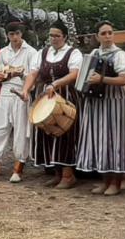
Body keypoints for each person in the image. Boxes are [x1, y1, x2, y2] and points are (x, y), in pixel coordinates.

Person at [0, 22, 39, 183]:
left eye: (17, 34)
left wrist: (19, 75)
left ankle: (18, 170)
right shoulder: (3, 52)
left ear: (22, 34)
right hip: (5, 93)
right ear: (7, 35)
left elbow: (33, 75)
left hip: (21, 93)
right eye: (11, 34)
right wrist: (1, 74)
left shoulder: (31, 52)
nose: (14, 37)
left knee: (21, 131)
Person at [80, 21, 125, 195]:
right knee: (99, 140)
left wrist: (101, 80)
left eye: (110, 32)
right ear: (97, 36)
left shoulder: (120, 55)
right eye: (103, 33)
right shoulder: (94, 53)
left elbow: (123, 80)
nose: (107, 36)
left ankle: (115, 183)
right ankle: (104, 181)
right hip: (96, 102)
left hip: (114, 101)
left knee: (114, 140)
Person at [27, 22, 83, 188]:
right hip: (45, 96)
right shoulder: (43, 52)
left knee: (65, 133)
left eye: (57, 35)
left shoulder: (73, 53)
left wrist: (57, 83)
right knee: (48, 132)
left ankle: (68, 175)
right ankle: (56, 173)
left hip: (65, 95)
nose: (53, 39)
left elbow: (75, 74)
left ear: (65, 36)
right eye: (51, 35)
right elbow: (33, 73)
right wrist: (25, 90)